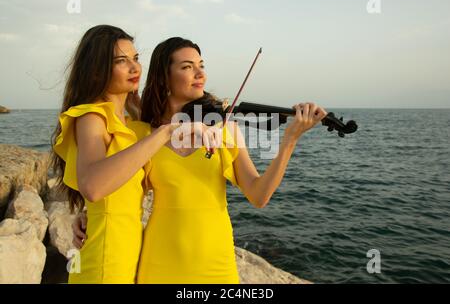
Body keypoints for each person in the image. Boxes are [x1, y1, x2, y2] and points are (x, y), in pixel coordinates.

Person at [73, 37, 327, 284]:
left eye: (201, 66)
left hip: (216, 262)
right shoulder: (143, 133)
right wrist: (88, 214)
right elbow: (116, 185)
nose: (200, 74)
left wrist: (290, 140)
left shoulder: (225, 128)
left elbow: (259, 196)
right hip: (158, 261)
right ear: (164, 77)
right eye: (187, 67)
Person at [51, 26, 214, 283]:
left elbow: (121, 184)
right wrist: (165, 133)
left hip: (128, 256)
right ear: (97, 69)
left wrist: (88, 214)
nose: (135, 68)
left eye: (136, 59)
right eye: (121, 61)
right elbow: (93, 186)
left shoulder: (130, 123)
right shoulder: (92, 116)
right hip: (104, 264)